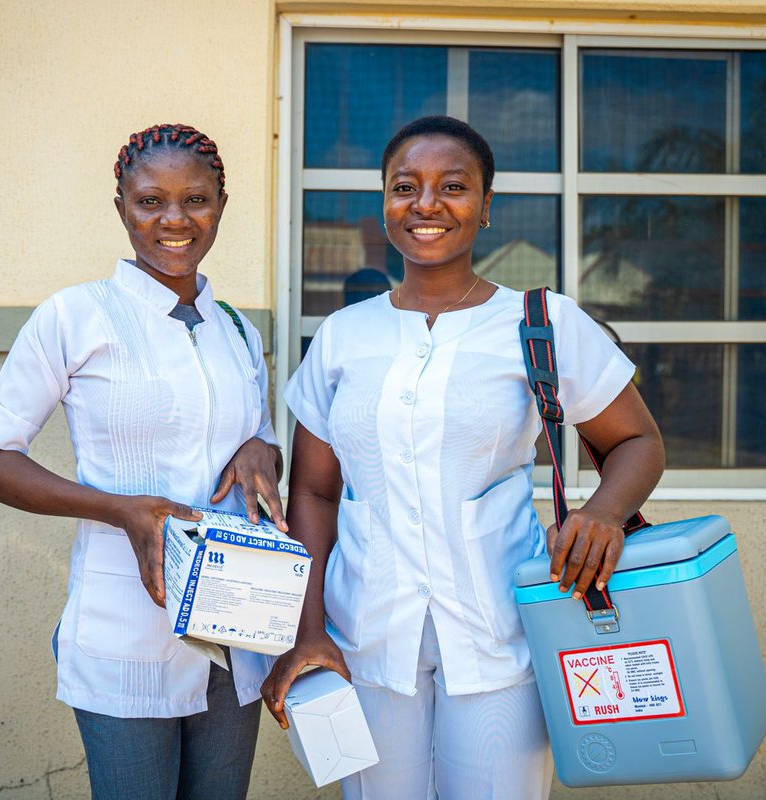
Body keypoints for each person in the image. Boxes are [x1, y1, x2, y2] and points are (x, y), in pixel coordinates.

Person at [261, 116, 665, 799]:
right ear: (383, 203)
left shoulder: (542, 321)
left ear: (485, 208)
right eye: (404, 186)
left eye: (453, 186)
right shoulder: (341, 337)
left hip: (500, 633)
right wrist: (307, 633)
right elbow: (314, 495)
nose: (426, 204)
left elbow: (639, 441)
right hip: (366, 634)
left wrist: (603, 511)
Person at [0, 123, 284, 800]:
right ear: (120, 208)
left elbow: (254, 446)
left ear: (221, 206)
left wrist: (265, 447)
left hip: (234, 625)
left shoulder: (236, 328)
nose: (175, 220)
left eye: (196, 200)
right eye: (150, 201)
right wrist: (119, 510)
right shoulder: (75, 317)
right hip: (126, 626)